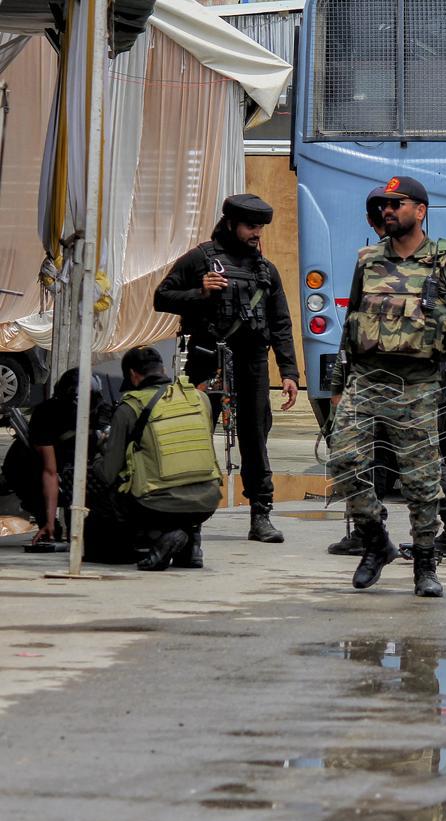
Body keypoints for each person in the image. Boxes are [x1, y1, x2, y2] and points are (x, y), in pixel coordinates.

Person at [326, 175, 446, 597]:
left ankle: (424, 563)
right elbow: (351, 323)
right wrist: (338, 384)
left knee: (420, 481)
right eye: (384, 204)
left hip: (417, 385)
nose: (387, 210)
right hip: (366, 379)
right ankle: (376, 541)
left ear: (420, 210)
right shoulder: (367, 259)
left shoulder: (445, 259)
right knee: (343, 462)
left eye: (397, 204)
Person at [153, 193, 299, 544]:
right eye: (251, 227)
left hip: (252, 362)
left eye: (261, 228)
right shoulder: (201, 259)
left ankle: (260, 514)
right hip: (208, 357)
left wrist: (290, 373)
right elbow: (161, 297)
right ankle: (189, 518)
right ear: (231, 224)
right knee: (196, 435)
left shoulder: (265, 270)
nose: (256, 234)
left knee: (255, 434)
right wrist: (199, 294)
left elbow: (280, 322)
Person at [100, 346, 222, 571]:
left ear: (133, 375)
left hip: (157, 506)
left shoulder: (129, 408)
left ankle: (162, 536)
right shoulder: (199, 397)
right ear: (164, 369)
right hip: (207, 501)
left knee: (109, 489)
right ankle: (191, 543)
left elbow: (109, 472)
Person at [1, 368, 111, 545]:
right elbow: (50, 472)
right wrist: (50, 521)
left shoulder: (99, 411)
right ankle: (49, 528)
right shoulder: (48, 414)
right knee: (38, 492)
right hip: (26, 468)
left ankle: (73, 528)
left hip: (69, 466)